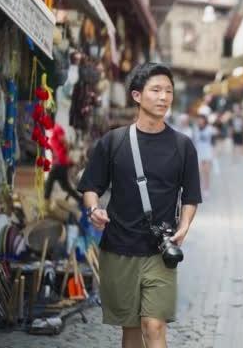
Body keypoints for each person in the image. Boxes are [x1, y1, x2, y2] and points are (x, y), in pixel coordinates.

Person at [78, 63, 202, 348]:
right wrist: (94, 209)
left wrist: (183, 227)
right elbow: (90, 186)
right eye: (156, 90)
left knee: (154, 324)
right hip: (118, 248)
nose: (163, 97)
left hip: (160, 252)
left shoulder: (183, 146)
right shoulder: (114, 141)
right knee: (131, 329)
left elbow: (191, 196)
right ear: (136, 95)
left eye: (168, 91)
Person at [44, 122, 81, 204]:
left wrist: (67, 157)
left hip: (60, 162)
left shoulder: (57, 128)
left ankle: (45, 202)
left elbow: (65, 143)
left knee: (49, 182)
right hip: (58, 162)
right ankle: (81, 201)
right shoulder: (50, 130)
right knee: (65, 186)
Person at [191, 114, 215, 192]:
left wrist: (214, 153)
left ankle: (206, 189)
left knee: (206, 172)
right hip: (199, 153)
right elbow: (194, 141)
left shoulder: (209, 129)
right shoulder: (195, 129)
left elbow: (214, 141)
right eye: (199, 119)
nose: (200, 121)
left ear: (205, 120)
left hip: (207, 153)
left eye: (201, 119)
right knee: (199, 172)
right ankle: (200, 188)